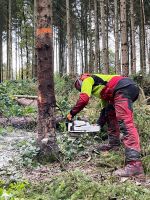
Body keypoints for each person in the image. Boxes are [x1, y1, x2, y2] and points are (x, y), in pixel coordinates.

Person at [67, 73, 144, 177]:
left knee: (125, 123)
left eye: (79, 87)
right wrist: (97, 126)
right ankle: (114, 145)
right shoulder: (103, 90)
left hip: (123, 88)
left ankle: (134, 164)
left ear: (80, 82)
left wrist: (71, 113)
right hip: (123, 89)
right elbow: (104, 112)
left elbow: (84, 99)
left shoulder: (87, 80)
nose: (81, 89)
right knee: (110, 113)